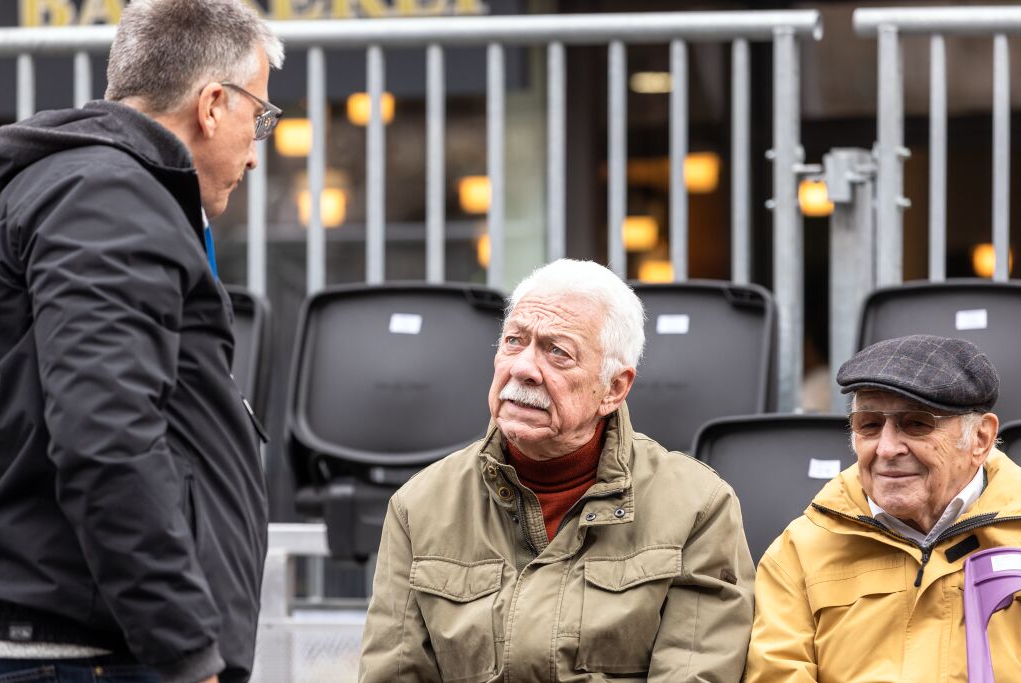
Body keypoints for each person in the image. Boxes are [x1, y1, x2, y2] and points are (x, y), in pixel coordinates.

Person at [0, 1, 283, 681]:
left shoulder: (79, 187)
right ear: (212, 105)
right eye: (259, 117)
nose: (254, 153)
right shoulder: (110, 199)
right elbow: (106, 434)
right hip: (87, 655)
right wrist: (186, 649)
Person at [359, 258, 755, 682]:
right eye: (514, 341)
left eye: (557, 352)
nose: (523, 368)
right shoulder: (420, 505)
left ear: (614, 388)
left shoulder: (697, 507)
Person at [745, 334, 1021, 682]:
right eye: (870, 425)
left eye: (916, 424)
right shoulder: (799, 552)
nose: (887, 448)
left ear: (980, 438)